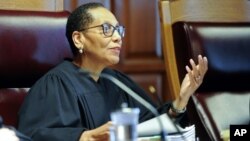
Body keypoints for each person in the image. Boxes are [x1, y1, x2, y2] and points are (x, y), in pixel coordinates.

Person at [17, 2, 208, 141]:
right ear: (78, 39)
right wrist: (86, 137)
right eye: (107, 29)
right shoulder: (55, 84)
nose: (118, 38)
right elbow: (32, 135)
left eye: (119, 30)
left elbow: (151, 124)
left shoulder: (118, 82)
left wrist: (181, 100)